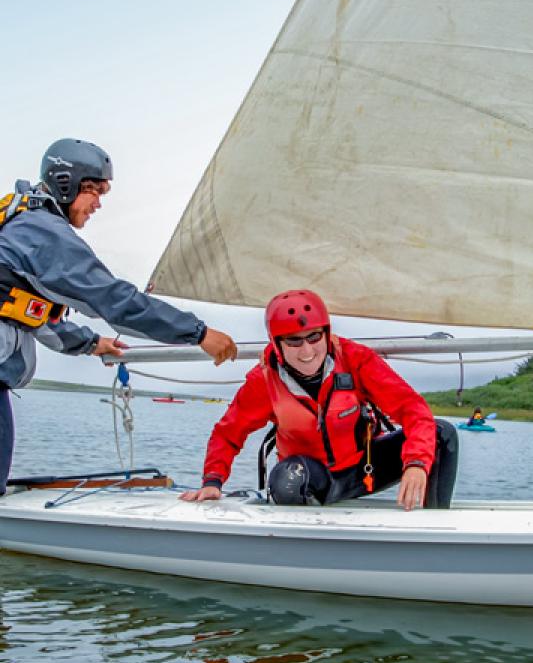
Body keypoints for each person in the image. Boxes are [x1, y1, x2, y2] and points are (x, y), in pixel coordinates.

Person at [0, 137, 238, 493]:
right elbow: (115, 301)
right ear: (66, 184)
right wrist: (198, 333)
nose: (98, 203)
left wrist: (93, 343)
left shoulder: (26, 225)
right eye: (93, 190)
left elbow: (35, 318)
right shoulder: (42, 233)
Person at [180, 289, 458, 511]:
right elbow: (228, 433)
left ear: (326, 332)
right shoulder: (262, 381)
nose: (307, 351)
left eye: (314, 337)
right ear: (276, 344)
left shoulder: (356, 359)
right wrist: (213, 481)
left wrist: (416, 464)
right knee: (286, 481)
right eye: (294, 341)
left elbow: (413, 409)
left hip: (366, 467)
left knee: (440, 433)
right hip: (314, 479)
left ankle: (431, 522)